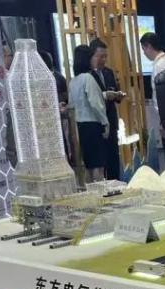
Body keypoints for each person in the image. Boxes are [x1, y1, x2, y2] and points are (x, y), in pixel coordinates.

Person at [69, 44, 110, 182]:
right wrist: (105, 122)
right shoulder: (88, 78)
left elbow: (71, 106)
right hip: (93, 125)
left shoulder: (73, 81)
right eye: (93, 57)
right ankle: (100, 192)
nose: (95, 60)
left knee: (88, 166)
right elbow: (96, 104)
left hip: (79, 126)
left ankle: (90, 191)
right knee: (98, 166)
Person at [89, 39, 125, 180]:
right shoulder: (87, 75)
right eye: (100, 56)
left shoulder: (109, 72)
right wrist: (104, 95)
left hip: (111, 120)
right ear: (92, 55)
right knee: (100, 161)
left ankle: (116, 184)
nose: (103, 60)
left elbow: (114, 90)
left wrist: (118, 95)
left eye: (105, 56)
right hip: (96, 123)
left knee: (113, 158)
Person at [140, 32, 165, 170]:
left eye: (143, 49)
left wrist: (163, 123)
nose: (144, 53)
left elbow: (161, 98)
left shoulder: (159, 66)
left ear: (149, 46)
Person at [40, 50, 71, 165]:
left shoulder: (57, 78)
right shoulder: (58, 77)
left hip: (59, 118)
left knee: (63, 144)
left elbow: (65, 97)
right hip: (52, 120)